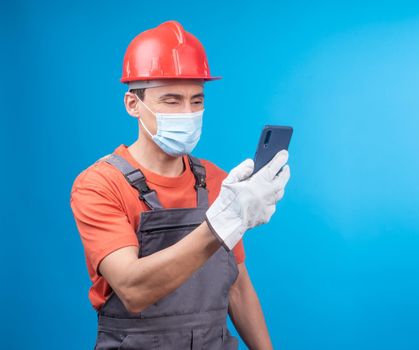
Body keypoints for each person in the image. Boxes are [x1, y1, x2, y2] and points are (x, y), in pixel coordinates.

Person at [70, 20, 291, 350]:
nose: (187, 113)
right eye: (171, 101)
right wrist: (223, 222)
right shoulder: (100, 185)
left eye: (197, 100)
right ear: (133, 104)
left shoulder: (216, 180)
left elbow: (237, 286)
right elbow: (133, 290)